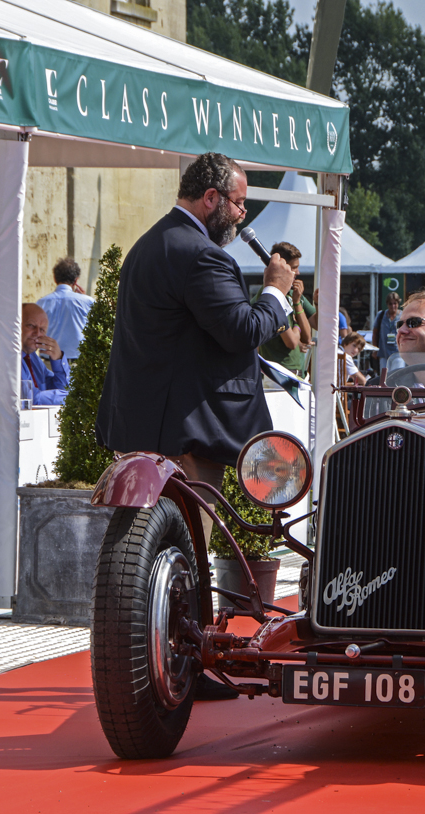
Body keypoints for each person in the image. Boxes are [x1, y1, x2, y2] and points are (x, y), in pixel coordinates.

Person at [96, 153, 292, 700]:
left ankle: (174, 660)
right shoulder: (201, 255)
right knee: (184, 555)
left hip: (149, 423)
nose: (242, 214)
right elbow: (240, 329)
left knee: (159, 557)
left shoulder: (151, 243)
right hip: (185, 431)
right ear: (211, 199)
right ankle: (180, 663)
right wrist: (275, 291)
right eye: (238, 202)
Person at [0, 303, 69, 405]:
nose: (37, 333)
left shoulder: (31, 356)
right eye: (31, 325)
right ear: (14, 324)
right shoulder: (3, 351)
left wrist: (58, 359)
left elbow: (59, 388)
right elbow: (29, 398)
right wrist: (73, 397)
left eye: (42, 330)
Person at [256, 241, 313, 376]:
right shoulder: (271, 296)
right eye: (294, 268)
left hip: (295, 370)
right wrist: (297, 326)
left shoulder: (292, 294)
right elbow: (292, 342)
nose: (298, 272)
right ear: (283, 268)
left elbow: (308, 337)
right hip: (278, 371)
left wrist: (298, 302)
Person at [35, 257, 95, 362]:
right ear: (76, 280)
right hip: (79, 366)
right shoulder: (88, 302)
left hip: (49, 363)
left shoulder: (41, 303)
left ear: (55, 278)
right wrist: (84, 299)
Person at [371, 291, 401, 373]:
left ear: (398, 303)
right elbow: (375, 333)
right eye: (390, 304)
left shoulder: (402, 316)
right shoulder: (381, 315)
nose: (393, 306)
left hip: (398, 353)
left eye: (395, 303)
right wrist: (375, 349)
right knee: (383, 378)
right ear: (387, 304)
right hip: (383, 352)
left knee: (397, 376)